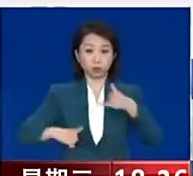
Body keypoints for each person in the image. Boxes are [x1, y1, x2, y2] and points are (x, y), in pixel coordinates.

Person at [16, 21, 162, 160]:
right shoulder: (61, 94)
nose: (97, 59)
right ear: (78, 56)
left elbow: (155, 139)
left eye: (104, 51)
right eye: (89, 51)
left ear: (114, 56)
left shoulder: (128, 93)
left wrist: (130, 107)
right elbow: (25, 133)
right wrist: (54, 132)